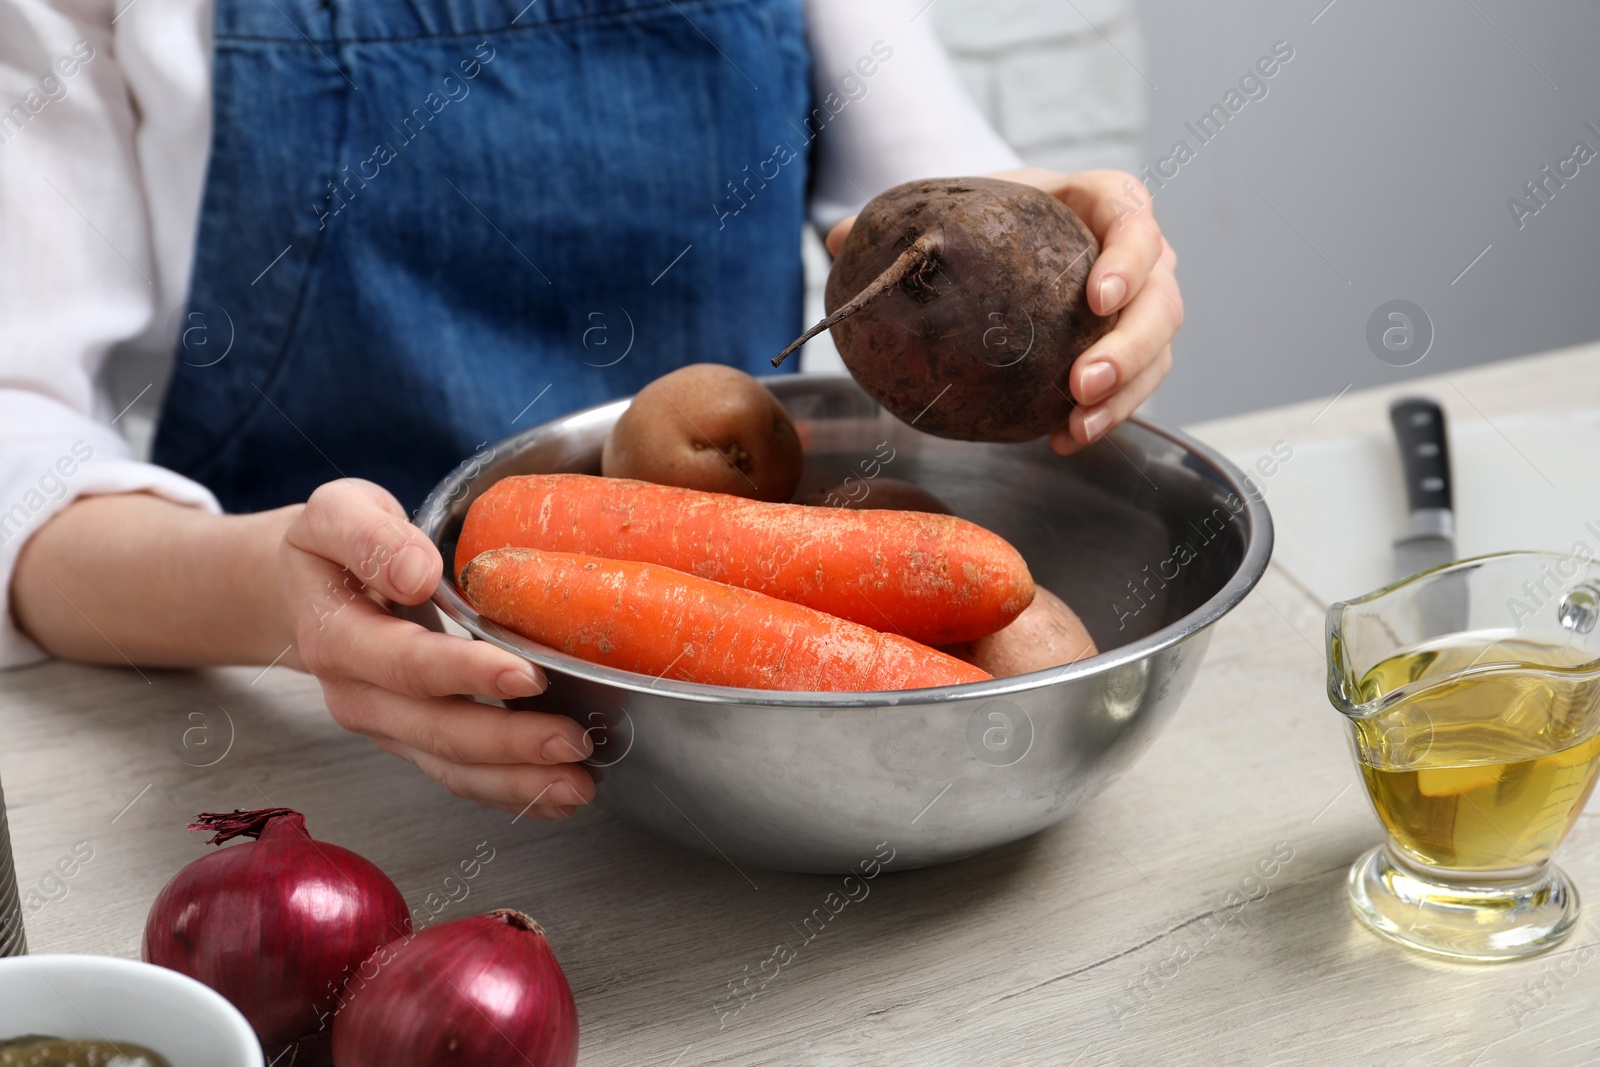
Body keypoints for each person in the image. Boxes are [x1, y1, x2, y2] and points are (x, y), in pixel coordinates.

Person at [1, 0, 1181, 819]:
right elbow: (19, 443)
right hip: (296, 733)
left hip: (791, 719)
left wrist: (1067, 250)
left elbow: (927, 200)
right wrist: (273, 593)